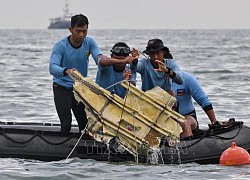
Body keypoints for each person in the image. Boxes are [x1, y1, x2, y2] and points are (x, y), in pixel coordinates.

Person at [49, 14, 105, 133]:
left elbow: (99, 58)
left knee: (85, 126)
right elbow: (52, 68)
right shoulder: (60, 46)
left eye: (84, 31)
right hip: (61, 88)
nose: (81, 35)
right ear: (70, 29)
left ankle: (83, 149)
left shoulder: (89, 43)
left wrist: (113, 61)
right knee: (66, 124)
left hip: (80, 89)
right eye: (78, 31)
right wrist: (66, 71)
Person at [163, 48, 217, 138]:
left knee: (184, 123)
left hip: (188, 117)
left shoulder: (187, 78)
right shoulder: (154, 82)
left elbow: (203, 100)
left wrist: (214, 122)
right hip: (164, 119)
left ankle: (187, 147)